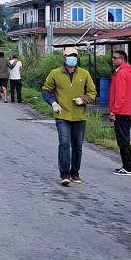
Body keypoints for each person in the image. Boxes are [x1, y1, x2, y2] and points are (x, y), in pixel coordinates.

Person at [41, 47, 97, 186]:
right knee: (64, 143)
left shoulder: (84, 74)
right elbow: (45, 90)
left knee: (77, 146)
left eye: (74, 56)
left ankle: (75, 173)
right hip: (62, 114)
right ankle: (64, 174)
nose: (72, 58)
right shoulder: (55, 73)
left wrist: (83, 99)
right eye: (69, 55)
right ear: (64, 57)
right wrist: (53, 102)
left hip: (80, 116)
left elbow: (92, 92)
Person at [108, 50, 131, 176]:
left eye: (115, 58)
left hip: (121, 111)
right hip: (127, 110)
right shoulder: (128, 72)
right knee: (124, 138)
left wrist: (114, 111)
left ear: (122, 59)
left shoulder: (121, 73)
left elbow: (120, 95)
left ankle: (128, 167)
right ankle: (127, 166)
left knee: (123, 140)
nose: (112, 60)